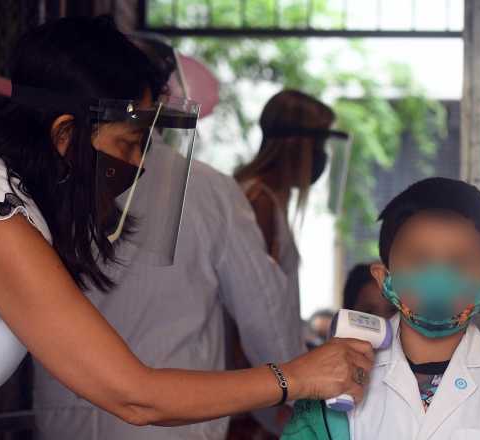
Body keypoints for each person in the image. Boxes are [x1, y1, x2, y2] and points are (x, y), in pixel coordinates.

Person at [0, 17, 372, 440]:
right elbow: (137, 396)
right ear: (65, 134)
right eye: (128, 145)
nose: (140, 166)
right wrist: (291, 376)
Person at [32, 35, 306, 440]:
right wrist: (296, 397)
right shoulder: (210, 191)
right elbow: (266, 320)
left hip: (62, 422)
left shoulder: (41, 181)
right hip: (172, 424)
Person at [282, 177, 480, 440]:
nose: (437, 279)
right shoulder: (334, 374)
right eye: (419, 260)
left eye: (459, 263)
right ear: (384, 278)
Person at [227, 89, 340, 437]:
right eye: (318, 145)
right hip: (252, 393)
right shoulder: (256, 202)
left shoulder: (266, 197)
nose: (321, 157)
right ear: (294, 144)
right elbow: (250, 313)